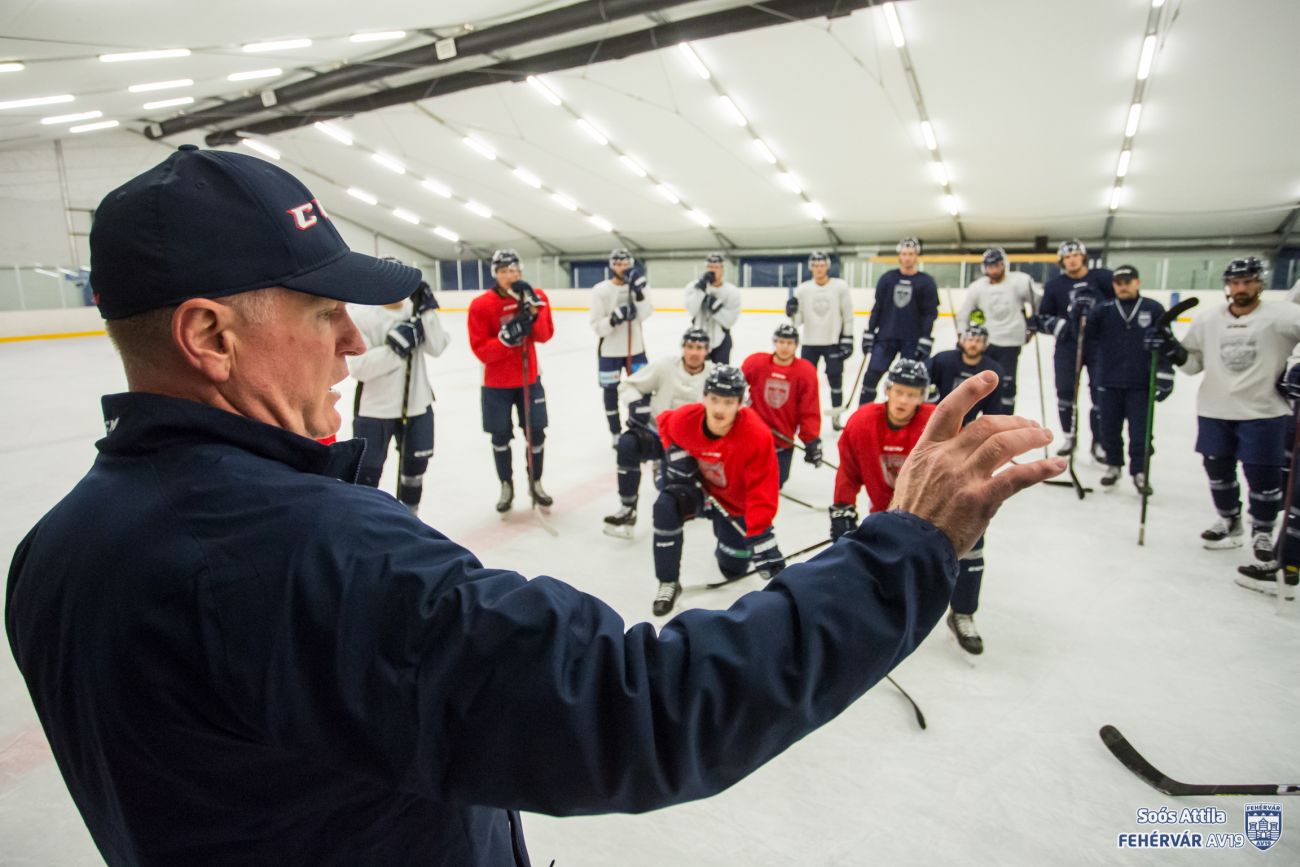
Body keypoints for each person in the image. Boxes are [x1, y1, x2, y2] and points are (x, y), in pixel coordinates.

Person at [7, 146, 1062, 867]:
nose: (348, 342)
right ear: (209, 336)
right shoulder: (305, 553)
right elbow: (637, 707)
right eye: (323, 310)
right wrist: (905, 546)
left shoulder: (55, 552)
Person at [1147, 257, 1300, 576]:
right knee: (1217, 470)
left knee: (1262, 476)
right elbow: (1192, 365)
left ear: (1261, 283)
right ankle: (1230, 521)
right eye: (1235, 282)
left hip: (1265, 411)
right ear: (1227, 285)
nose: (1241, 288)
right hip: (1215, 409)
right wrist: (1170, 347)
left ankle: (1262, 530)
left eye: (1248, 281)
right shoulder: (1208, 320)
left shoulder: (1284, 315)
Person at [831, 358, 986, 653]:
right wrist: (842, 506)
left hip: (941, 513)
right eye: (899, 391)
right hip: (888, 515)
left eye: (912, 394)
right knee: (883, 564)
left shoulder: (942, 426)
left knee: (973, 550)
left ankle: (963, 613)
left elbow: (966, 470)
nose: (904, 400)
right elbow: (849, 469)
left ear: (923, 396)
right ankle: (883, 616)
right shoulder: (862, 422)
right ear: (888, 390)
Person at [347, 277, 451, 513]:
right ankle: (367, 522)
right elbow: (359, 368)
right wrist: (394, 349)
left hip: (417, 406)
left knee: (415, 468)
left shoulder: (414, 313)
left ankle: (410, 518)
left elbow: (437, 347)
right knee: (367, 473)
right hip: (375, 410)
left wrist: (427, 310)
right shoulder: (361, 317)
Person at [467, 248, 556, 513]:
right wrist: (505, 341)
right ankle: (506, 484)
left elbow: (544, 335)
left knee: (536, 433)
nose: (510, 276)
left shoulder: (536, 297)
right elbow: (481, 349)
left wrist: (533, 311)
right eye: (504, 271)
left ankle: (536, 481)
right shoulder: (481, 305)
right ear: (495, 274)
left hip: (529, 379)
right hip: (496, 385)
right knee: (500, 436)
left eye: (514, 271)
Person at [603, 328, 714, 539]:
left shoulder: (714, 375)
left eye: (699, 348)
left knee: (669, 494)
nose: (693, 352)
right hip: (658, 435)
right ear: (683, 348)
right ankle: (628, 508)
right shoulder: (664, 367)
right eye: (690, 346)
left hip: (693, 447)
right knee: (628, 444)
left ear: (707, 351)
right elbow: (628, 385)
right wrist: (636, 402)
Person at [1082, 265, 1171, 494]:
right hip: (1108, 380)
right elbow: (1085, 338)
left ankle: (1140, 471)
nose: (1123, 286)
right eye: (1118, 282)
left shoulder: (1153, 308)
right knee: (1109, 428)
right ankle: (1113, 466)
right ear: (1113, 285)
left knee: (1141, 431)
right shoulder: (1104, 310)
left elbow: (1167, 344)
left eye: (1127, 282)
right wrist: (1080, 311)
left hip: (1140, 383)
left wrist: (1165, 373)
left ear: (1137, 282)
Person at [1038, 238, 1114, 458]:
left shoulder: (1103, 278)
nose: (1071, 260)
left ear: (1083, 257)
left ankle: (1099, 441)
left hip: (1098, 344)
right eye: (1067, 257)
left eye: (1075, 255)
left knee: (1099, 392)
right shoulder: (1054, 286)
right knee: (1065, 392)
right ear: (1062, 261)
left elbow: (1116, 305)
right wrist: (1058, 325)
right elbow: (1044, 317)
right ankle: (1069, 437)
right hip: (1067, 345)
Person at [957, 247, 1040, 414]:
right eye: (990, 266)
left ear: (1004, 265)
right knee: (982, 381)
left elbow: (1038, 303)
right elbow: (964, 313)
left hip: (1011, 340)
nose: (994, 269)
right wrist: (962, 335)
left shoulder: (1020, 281)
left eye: (997, 265)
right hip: (985, 343)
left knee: (1007, 384)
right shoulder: (977, 287)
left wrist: (1033, 325)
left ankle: (1005, 419)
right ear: (984, 267)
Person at [859, 237, 940, 407]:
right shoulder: (887, 278)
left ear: (916, 255)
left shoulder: (926, 282)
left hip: (912, 340)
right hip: (885, 337)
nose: (907, 257)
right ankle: (861, 415)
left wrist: (925, 337)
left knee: (906, 382)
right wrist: (869, 331)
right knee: (871, 376)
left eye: (910, 254)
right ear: (899, 255)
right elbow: (878, 307)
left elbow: (930, 313)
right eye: (904, 254)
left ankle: (900, 417)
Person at [741, 323, 823, 487]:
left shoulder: (805, 371)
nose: (784, 347)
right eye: (781, 341)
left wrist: (811, 440)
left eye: (789, 343)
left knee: (778, 481)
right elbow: (734, 390)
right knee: (747, 480)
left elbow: (809, 408)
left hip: (782, 439)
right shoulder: (756, 363)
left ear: (796, 345)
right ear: (774, 342)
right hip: (754, 435)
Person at [589, 248, 653, 446]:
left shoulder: (639, 286)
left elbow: (646, 313)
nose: (622, 268)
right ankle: (615, 432)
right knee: (610, 393)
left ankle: (640, 427)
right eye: (618, 264)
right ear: (612, 266)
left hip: (635, 349)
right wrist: (614, 318)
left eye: (625, 264)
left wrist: (639, 296)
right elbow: (597, 326)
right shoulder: (600, 290)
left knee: (643, 389)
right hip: (609, 352)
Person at [786, 250, 854, 413]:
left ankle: (836, 415)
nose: (818, 268)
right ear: (811, 268)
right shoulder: (803, 289)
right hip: (810, 343)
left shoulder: (840, 286)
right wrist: (791, 311)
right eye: (815, 265)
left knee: (836, 381)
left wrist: (848, 337)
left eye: (822, 265)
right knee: (806, 381)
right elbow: (798, 320)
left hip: (833, 342)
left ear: (827, 267)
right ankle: (806, 414)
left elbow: (847, 314)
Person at [926, 324, 1008, 426]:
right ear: (962, 341)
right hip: (935, 418)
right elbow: (923, 380)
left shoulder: (992, 371)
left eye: (978, 341)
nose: (973, 344)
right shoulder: (943, 360)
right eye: (970, 340)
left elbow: (993, 408)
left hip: (967, 424)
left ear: (985, 345)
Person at [684, 252, 741, 363]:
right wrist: (700, 290)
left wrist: (716, 307)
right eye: (710, 267)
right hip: (697, 338)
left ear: (722, 269)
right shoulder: (693, 287)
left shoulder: (732, 291)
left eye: (716, 267)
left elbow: (729, 321)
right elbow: (692, 310)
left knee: (721, 373)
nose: (713, 270)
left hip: (721, 339)